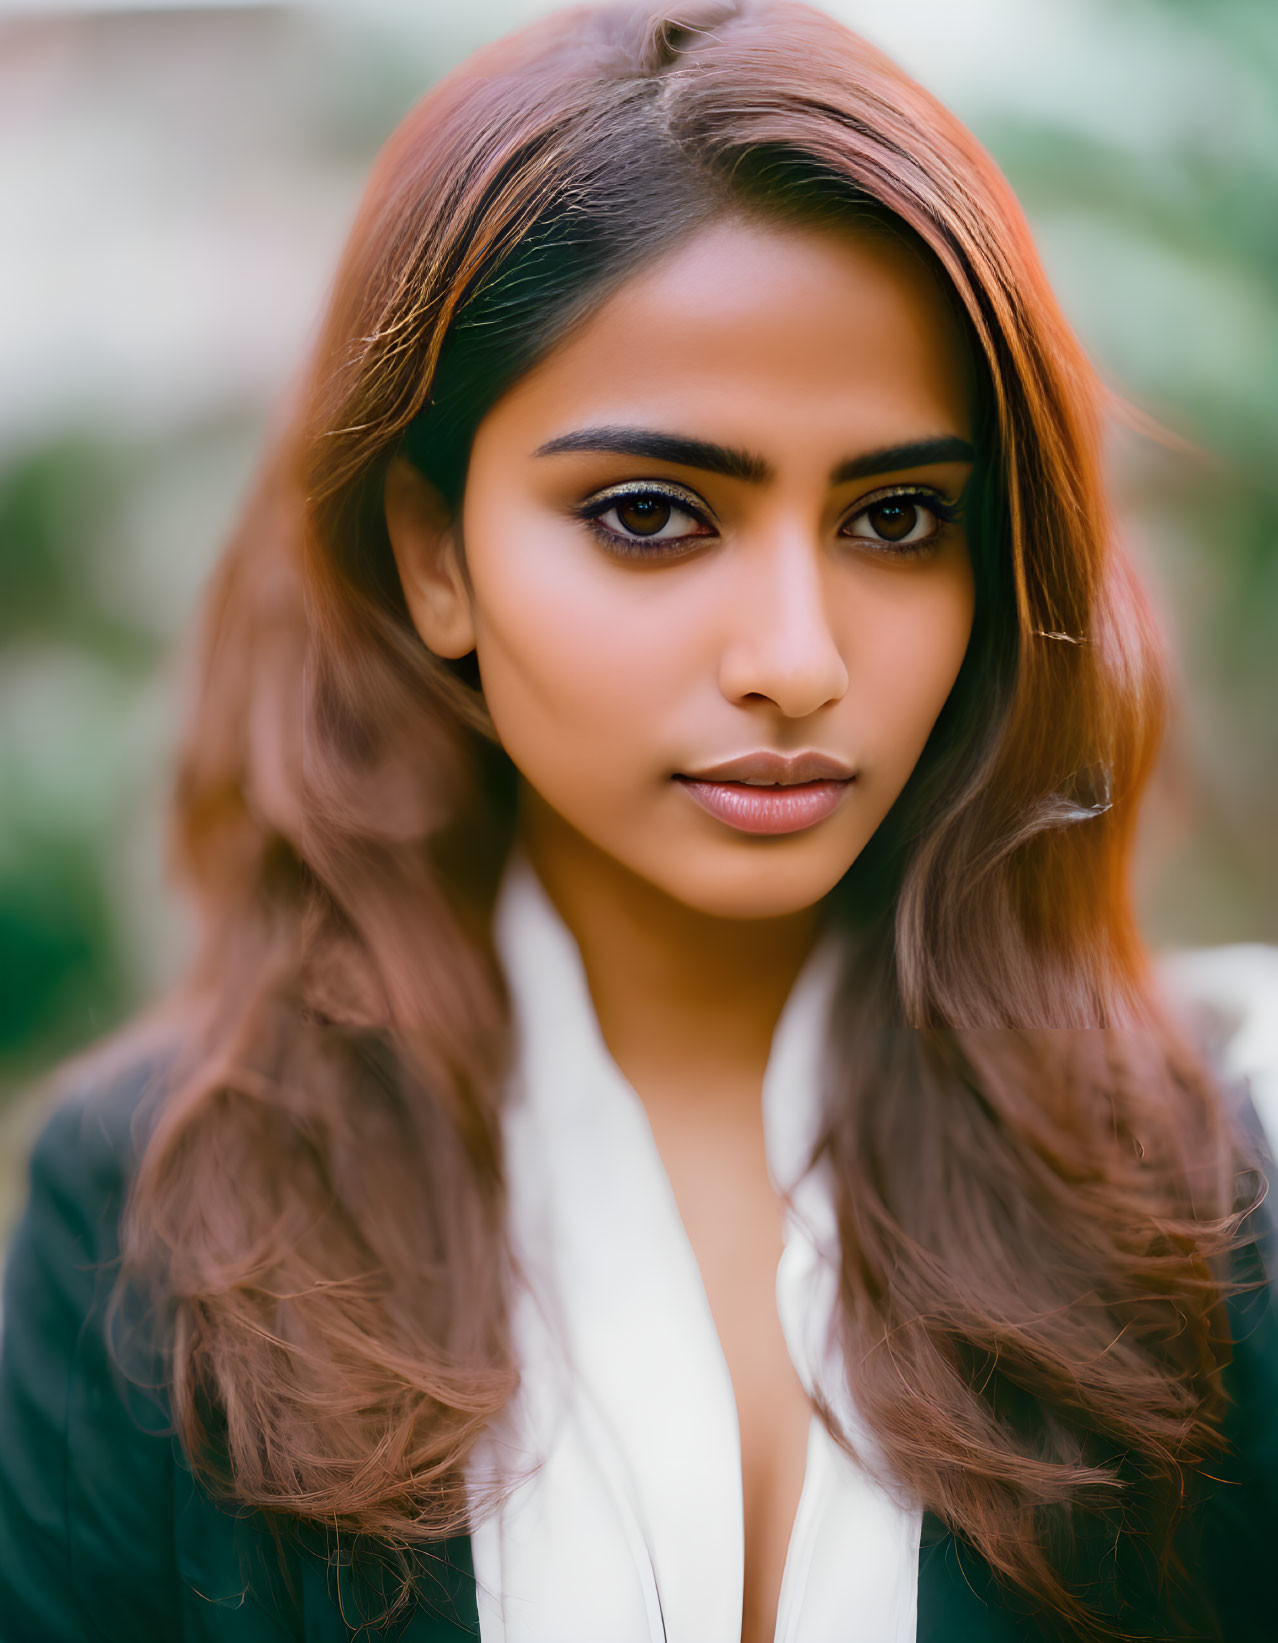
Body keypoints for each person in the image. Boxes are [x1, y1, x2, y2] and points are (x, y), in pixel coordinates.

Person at [1, 2, 1275, 1639]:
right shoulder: (156, 1224)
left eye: (897, 518)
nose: (799, 663)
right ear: (434, 554)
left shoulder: (1204, 1207)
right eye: (653, 515)